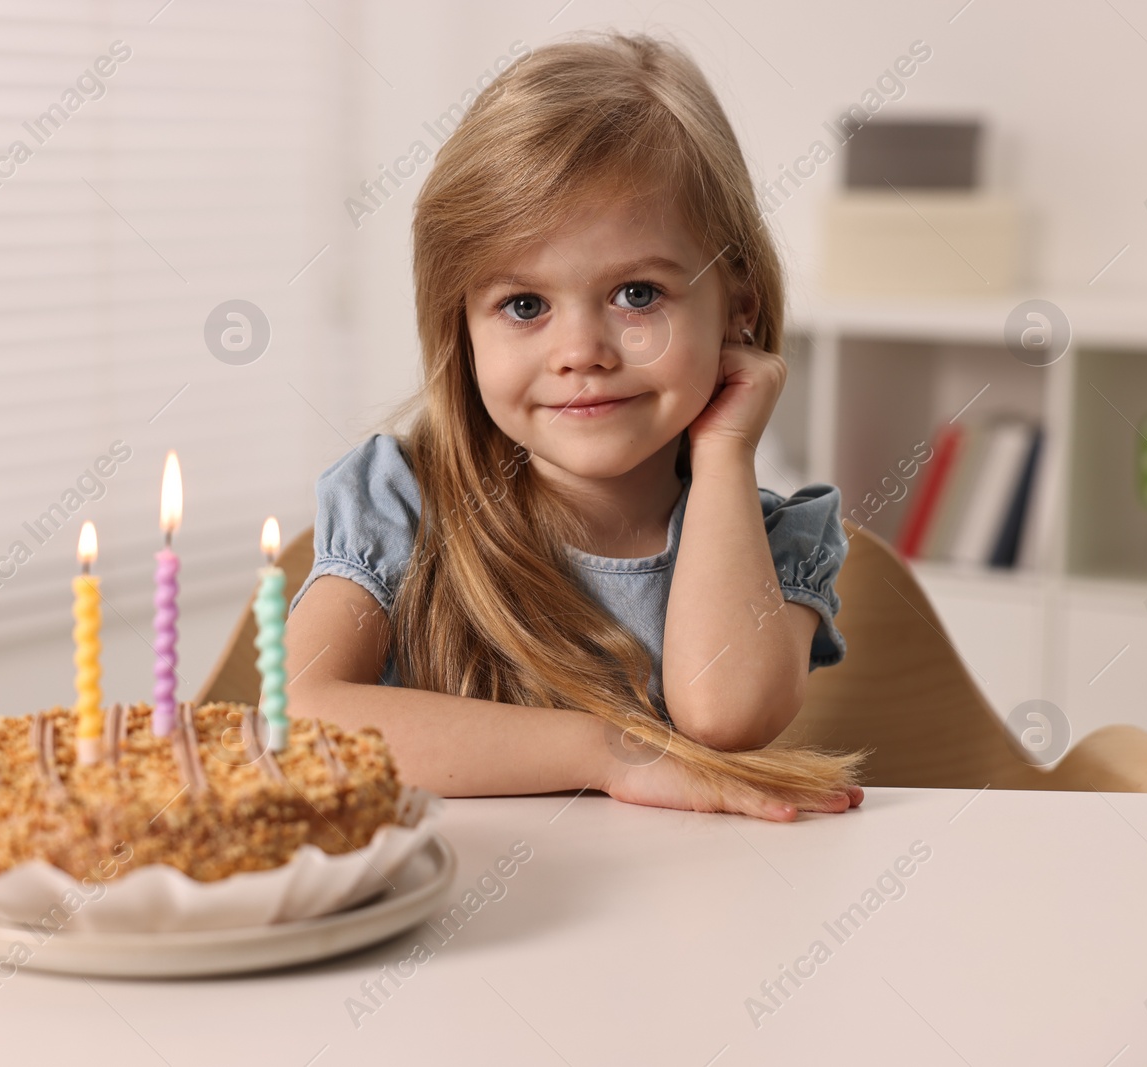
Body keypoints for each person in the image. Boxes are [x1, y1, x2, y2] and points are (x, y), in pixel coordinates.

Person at [285, 32, 866, 822]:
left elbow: (724, 716)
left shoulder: (774, 548)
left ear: (738, 306)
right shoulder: (400, 505)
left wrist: (727, 451)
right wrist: (611, 751)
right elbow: (300, 723)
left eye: (636, 294)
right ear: (462, 327)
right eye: (524, 305)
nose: (581, 353)